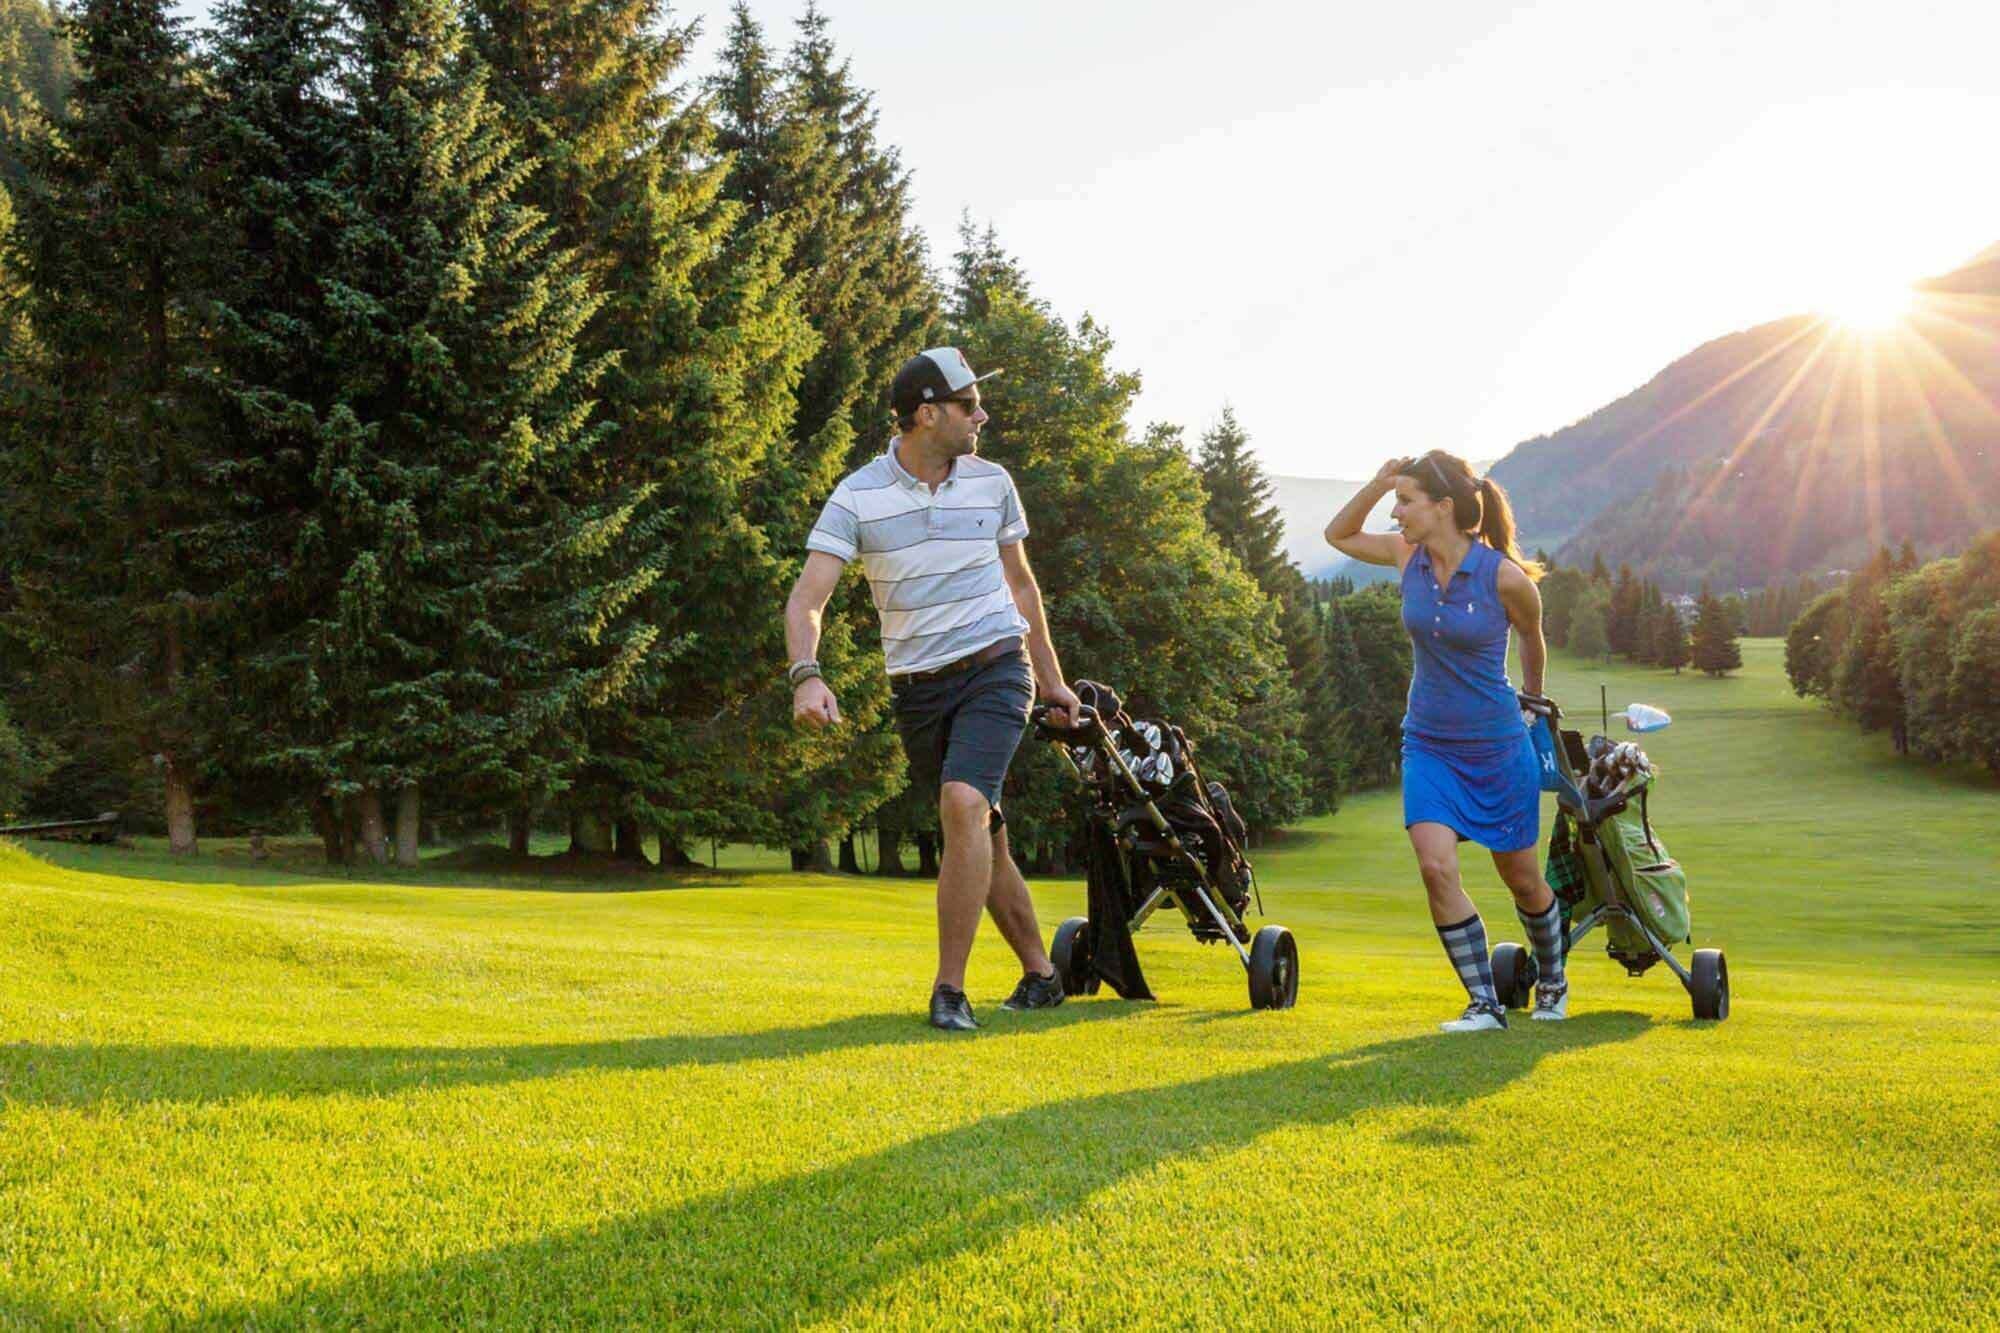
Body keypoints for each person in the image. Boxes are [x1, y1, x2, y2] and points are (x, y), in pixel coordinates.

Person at [785, 347, 1083, 1032]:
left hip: (996, 666)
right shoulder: (859, 494)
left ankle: (950, 990)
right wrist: (808, 674)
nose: (982, 413)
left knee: (963, 800)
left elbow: (1022, 587)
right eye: (967, 403)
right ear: (927, 414)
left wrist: (1053, 678)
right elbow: (808, 598)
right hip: (917, 689)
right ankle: (1042, 974)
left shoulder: (992, 482)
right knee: (983, 828)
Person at [1323, 450, 1568, 1030]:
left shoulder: (1505, 578)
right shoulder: (1404, 555)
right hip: (1428, 743)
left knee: (1523, 879)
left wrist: (1533, 705)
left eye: (1405, 502)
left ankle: (1553, 983)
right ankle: (1484, 1002)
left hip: (1497, 745)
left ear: (1444, 508)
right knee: (1436, 868)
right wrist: (1378, 482)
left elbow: (1533, 642)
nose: (1397, 513)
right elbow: (1339, 534)